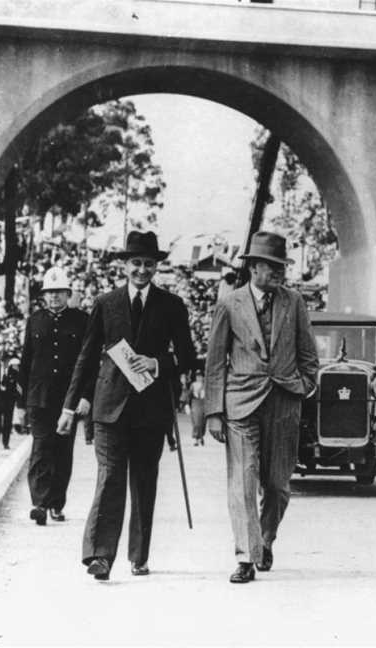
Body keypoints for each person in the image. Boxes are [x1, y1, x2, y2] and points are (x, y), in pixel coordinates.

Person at [58, 231, 194, 581]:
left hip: (151, 411)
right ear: (125, 265)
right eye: (136, 263)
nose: (142, 270)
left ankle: (139, 554)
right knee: (109, 479)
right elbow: (86, 358)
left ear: (156, 266)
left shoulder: (172, 305)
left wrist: (158, 363)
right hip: (109, 409)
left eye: (149, 264)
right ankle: (100, 555)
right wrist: (70, 407)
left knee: (144, 483)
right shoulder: (106, 303)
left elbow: (189, 357)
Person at [204, 231, 318, 584]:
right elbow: (215, 361)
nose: (279, 272)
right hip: (240, 404)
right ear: (253, 267)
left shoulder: (294, 302)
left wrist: (304, 386)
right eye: (271, 266)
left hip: (284, 403)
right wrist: (214, 411)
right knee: (243, 480)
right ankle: (245, 556)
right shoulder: (230, 303)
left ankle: (265, 540)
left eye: (281, 266)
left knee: (278, 485)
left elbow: (308, 353)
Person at [18, 267, 89, 525]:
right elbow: (26, 362)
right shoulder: (34, 320)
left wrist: (85, 396)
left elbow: (89, 362)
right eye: (49, 293)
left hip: (67, 400)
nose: (54, 297)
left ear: (68, 294)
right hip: (39, 397)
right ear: (44, 295)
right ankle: (39, 503)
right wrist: (21, 403)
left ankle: (56, 502)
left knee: (62, 451)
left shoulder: (81, 321)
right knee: (40, 449)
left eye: (59, 292)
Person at [188, 371, 206, 446]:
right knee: (196, 423)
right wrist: (187, 405)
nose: (199, 378)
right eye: (197, 376)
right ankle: (196, 439)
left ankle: (201, 437)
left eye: (200, 376)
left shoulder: (205, 385)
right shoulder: (193, 385)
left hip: (203, 404)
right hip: (195, 404)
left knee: (202, 423)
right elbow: (189, 396)